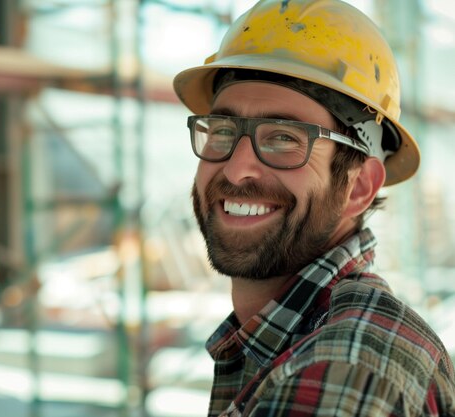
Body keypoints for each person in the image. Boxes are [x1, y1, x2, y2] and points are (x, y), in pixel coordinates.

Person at [172, 0, 455, 416]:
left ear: (359, 187)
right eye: (222, 131)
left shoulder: (344, 368)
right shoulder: (297, 343)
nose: (236, 170)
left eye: (284, 138)